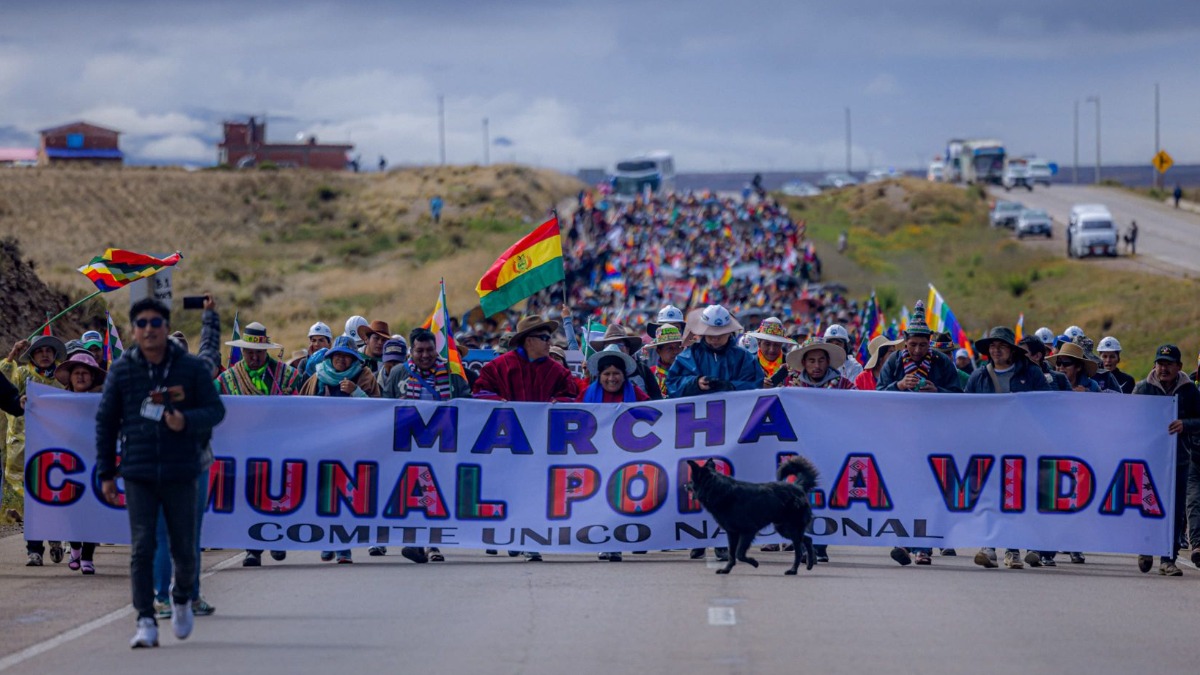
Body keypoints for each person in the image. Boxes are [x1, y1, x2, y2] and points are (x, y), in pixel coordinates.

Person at [96, 298, 226, 648]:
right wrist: (107, 472)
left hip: (183, 470)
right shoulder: (123, 370)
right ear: (133, 330)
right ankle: (145, 619)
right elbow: (106, 421)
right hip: (138, 471)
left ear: (166, 328)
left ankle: (183, 596)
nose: (149, 329)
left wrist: (186, 421)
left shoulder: (191, 369)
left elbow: (215, 410)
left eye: (155, 322)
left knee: (185, 548)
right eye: (141, 323)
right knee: (143, 546)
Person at [473, 315, 578, 561]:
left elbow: (572, 396)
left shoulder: (557, 371)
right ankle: (510, 534)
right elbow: (479, 392)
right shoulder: (499, 366)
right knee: (509, 490)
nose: (548, 343)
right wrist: (498, 403)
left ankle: (531, 540)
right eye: (544, 338)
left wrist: (557, 403)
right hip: (507, 443)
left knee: (537, 491)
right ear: (528, 341)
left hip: (543, 443)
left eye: (548, 338)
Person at [878, 301, 961, 566]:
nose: (917, 350)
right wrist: (899, 385)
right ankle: (904, 541)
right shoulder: (893, 362)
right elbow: (877, 396)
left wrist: (938, 393)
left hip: (935, 438)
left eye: (922, 345)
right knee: (903, 490)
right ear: (904, 341)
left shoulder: (942, 364)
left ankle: (924, 546)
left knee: (930, 491)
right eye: (912, 344)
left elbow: (960, 399)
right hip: (900, 438)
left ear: (930, 343)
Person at [216, 322, 304, 567]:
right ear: (242, 352)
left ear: (266, 351)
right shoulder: (229, 379)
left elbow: (304, 408)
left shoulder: (287, 376)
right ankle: (252, 549)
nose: (254, 357)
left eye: (258, 352)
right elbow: (213, 403)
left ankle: (277, 537)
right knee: (250, 498)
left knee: (279, 494)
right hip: (245, 449)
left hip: (280, 446)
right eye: (249, 352)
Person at [381, 327, 471, 562]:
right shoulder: (399, 373)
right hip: (408, 446)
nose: (425, 355)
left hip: (443, 446)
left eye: (430, 349)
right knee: (413, 496)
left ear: (436, 350)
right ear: (411, 351)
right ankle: (416, 542)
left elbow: (470, 404)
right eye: (419, 350)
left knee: (437, 495)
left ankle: (433, 544)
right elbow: (382, 407)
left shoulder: (452, 374)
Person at [963, 327, 1048, 570]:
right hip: (988, 447)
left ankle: (1013, 549)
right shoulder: (978, 377)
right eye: (992, 346)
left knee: (1015, 496)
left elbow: (1045, 407)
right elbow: (966, 410)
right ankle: (988, 547)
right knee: (989, 495)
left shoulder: (1031, 374)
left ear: (1012, 350)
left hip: (1021, 447)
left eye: (1001, 345)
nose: (996, 350)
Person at [300, 336, 380, 563]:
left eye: (347, 356)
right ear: (330, 356)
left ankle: (343, 547)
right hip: (323, 447)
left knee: (346, 497)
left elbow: (378, 410)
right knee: (325, 497)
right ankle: (327, 541)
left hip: (354, 448)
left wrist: (356, 392)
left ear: (354, 359)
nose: (342, 360)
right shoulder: (317, 378)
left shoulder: (364, 377)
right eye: (338, 355)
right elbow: (302, 410)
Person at [578, 345, 650, 562]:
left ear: (624, 375)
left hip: (624, 460)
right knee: (599, 500)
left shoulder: (636, 394)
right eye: (607, 374)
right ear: (599, 376)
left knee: (620, 501)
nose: (612, 378)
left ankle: (616, 544)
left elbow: (654, 413)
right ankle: (602, 541)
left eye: (616, 373)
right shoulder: (585, 395)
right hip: (596, 460)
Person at [1133, 345, 1200, 576]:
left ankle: (1168, 559)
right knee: (1147, 506)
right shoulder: (1142, 388)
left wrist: (1185, 425)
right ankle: (1145, 548)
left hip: (1179, 460)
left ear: (1179, 367)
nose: (1164, 368)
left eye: (1169, 364)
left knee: (1175, 510)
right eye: (1160, 363)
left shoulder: (1189, 390)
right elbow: (1128, 419)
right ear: (1155, 365)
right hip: (1149, 460)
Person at [2, 334, 67, 564]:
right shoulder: (22, 374)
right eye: (40, 351)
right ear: (33, 356)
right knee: (31, 501)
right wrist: (11, 356)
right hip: (24, 448)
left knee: (52, 495)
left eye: (49, 350)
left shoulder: (62, 378)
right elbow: (3, 381)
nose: (45, 354)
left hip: (55, 447)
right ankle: (35, 551)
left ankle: (56, 537)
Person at [54, 353, 107, 574]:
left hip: (95, 462)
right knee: (72, 509)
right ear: (70, 377)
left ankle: (87, 556)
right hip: (67, 464)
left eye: (86, 373)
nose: (81, 376)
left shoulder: (104, 401)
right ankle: (75, 546)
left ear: (93, 377)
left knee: (93, 509)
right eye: (77, 373)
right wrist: (31, 404)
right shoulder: (56, 401)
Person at [666, 305, 762, 399]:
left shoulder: (744, 358)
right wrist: (696, 383)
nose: (715, 339)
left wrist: (730, 386)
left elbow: (756, 384)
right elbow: (672, 385)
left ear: (729, 332)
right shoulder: (688, 356)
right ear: (703, 332)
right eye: (711, 335)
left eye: (720, 335)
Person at [587, 325, 660, 400]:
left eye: (619, 345)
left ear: (628, 349)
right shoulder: (595, 376)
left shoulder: (643, 370)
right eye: (607, 374)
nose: (611, 378)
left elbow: (656, 401)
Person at [783, 338, 856, 390]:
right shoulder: (796, 387)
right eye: (812, 361)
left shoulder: (843, 384)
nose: (817, 366)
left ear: (828, 361)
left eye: (821, 361)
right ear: (804, 362)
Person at [746, 317, 796, 388]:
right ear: (759, 343)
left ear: (781, 344)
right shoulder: (749, 366)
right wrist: (757, 385)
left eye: (776, 345)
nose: (771, 350)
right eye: (767, 344)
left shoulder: (792, 366)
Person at [649, 325, 684, 396]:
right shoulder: (650, 374)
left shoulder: (691, 371)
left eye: (678, 347)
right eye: (669, 348)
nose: (675, 351)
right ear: (658, 351)